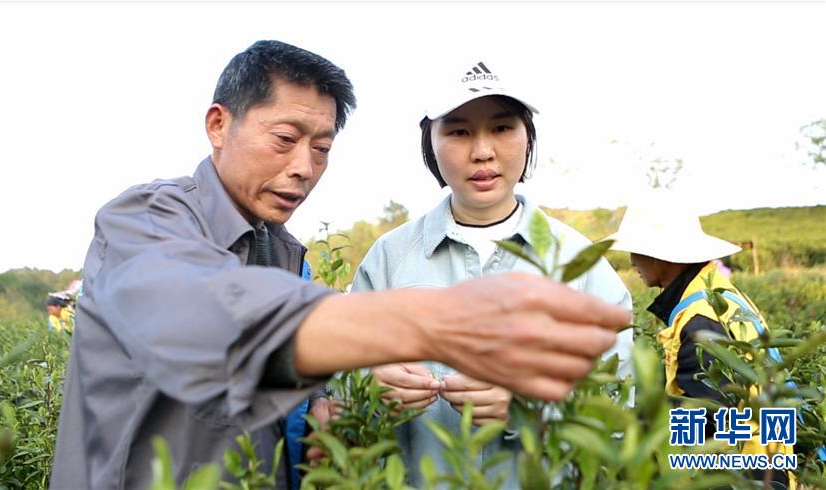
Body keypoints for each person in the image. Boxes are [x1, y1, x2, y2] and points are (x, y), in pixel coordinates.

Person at [50, 41, 630, 489]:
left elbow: (621, 413)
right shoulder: (146, 220)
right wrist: (428, 323)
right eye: (285, 138)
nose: (304, 166)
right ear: (218, 124)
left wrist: (336, 409)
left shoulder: (285, 254)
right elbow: (197, 315)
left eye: (322, 148)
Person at [349, 59, 635, 488]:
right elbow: (341, 389)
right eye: (459, 131)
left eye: (502, 128)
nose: (482, 151)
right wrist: (371, 389)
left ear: (528, 136)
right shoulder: (388, 260)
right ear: (430, 141)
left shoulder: (582, 267)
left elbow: (616, 412)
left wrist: (531, 406)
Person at [603, 200, 792, 489]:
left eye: (637, 251)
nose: (632, 261)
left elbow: (709, 432)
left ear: (662, 255)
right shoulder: (716, 293)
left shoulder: (699, 320)